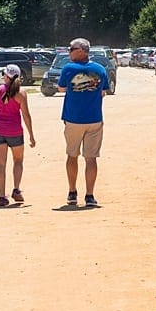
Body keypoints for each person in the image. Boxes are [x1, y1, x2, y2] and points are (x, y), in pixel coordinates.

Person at [58, 37, 109, 207]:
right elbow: (104, 91)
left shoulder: (68, 68)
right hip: (94, 118)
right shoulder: (100, 69)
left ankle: (72, 192)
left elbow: (61, 88)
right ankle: (90, 195)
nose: (69, 51)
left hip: (73, 118)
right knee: (91, 158)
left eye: (71, 48)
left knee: (72, 155)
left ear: (81, 51)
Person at [0, 64, 36, 206]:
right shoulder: (21, 93)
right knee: (18, 161)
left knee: (1, 164)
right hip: (15, 131)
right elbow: (26, 115)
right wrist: (31, 135)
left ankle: (2, 196)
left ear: (6, 76)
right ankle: (16, 189)